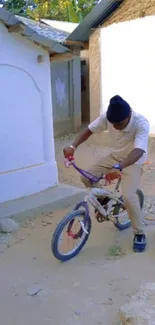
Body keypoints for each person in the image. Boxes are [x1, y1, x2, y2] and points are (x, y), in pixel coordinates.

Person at [63, 95, 150, 252]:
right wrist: (73, 146)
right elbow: (89, 130)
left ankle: (139, 233)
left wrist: (119, 167)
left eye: (120, 124)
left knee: (129, 197)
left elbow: (138, 151)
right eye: (113, 124)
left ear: (129, 114)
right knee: (86, 177)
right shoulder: (108, 118)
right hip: (115, 156)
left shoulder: (141, 123)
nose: (116, 127)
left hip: (133, 161)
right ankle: (104, 200)